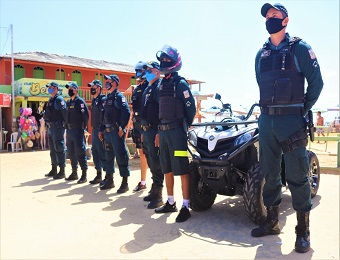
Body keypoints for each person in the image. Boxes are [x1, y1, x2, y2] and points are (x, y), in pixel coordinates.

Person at [251, 3, 324, 253]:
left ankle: (303, 231)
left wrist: (302, 109)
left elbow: (316, 83)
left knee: (297, 175)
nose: (270, 19)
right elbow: (260, 82)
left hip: (291, 120)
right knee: (270, 174)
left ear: (286, 20)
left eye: (275, 15)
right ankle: (272, 221)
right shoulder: (261, 54)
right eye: (267, 16)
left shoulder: (300, 48)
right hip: (267, 120)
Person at [153, 45, 196, 222]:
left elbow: (191, 109)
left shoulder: (181, 84)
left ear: (174, 62)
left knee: (182, 169)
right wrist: (158, 132)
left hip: (177, 134)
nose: (164, 62)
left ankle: (185, 205)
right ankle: (171, 202)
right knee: (167, 168)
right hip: (163, 134)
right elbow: (159, 111)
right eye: (162, 59)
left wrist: (183, 126)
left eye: (167, 60)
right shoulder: (161, 84)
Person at [98, 74, 131, 193]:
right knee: (108, 157)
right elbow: (103, 117)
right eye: (106, 81)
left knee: (121, 156)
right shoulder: (107, 99)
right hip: (107, 133)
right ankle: (110, 180)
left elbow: (126, 113)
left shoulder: (119, 97)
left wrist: (122, 128)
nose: (107, 83)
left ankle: (125, 183)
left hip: (116, 133)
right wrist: (101, 130)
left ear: (116, 83)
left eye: (109, 81)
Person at [139, 61, 164, 209]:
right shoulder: (148, 88)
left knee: (156, 162)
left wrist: (159, 132)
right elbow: (144, 111)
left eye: (149, 70)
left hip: (155, 129)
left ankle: (159, 195)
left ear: (157, 72)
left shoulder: (159, 87)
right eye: (146, 70)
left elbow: (161, 111)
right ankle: (154, 191)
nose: (147, 72)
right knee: (150, 159)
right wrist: (143, 130)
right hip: (146, 130)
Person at [64, 82, 89, 184]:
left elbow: (86, 116)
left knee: (80, 151)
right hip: (69, 130)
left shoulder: (80, 102)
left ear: (75, 90)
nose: (68, 90)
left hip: (78, 130)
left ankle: (84, 174)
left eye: (70, 88)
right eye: (68, 88)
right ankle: (74, 172)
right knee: (71, 152)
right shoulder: (69, 102)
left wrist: (83, 127)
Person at [131, 61, 149, 192]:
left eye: (140, 71)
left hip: (147, 125)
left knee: (151, 154)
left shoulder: (151, 86)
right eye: (136, 71)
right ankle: (143, 182)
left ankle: (156, 184)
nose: (137, 74)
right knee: (142, 153)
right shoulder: (137, 88)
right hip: (137, 124)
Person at [44, 82, 67, 179]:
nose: (49, 89)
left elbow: (65, 113)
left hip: (57, 127)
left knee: (59, 148)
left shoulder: (59, 99)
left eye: (51, 87)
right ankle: (54, 169)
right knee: (52, 149)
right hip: (50, 127)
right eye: (48, 87)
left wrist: (65, 124)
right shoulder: (51, 100)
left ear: (56, 88)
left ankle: (62, 171)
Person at [87, 79, 107, 184]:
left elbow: (104, 116)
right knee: (95, 152)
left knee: (102, 152)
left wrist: (101, 129)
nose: (92, 89)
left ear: (98, 88)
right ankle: (98, 175)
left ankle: (107, 176)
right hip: (94, 130)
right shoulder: (94, 100)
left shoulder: (103, 99)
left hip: (101, 131)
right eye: (91, 88)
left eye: (93, 87)